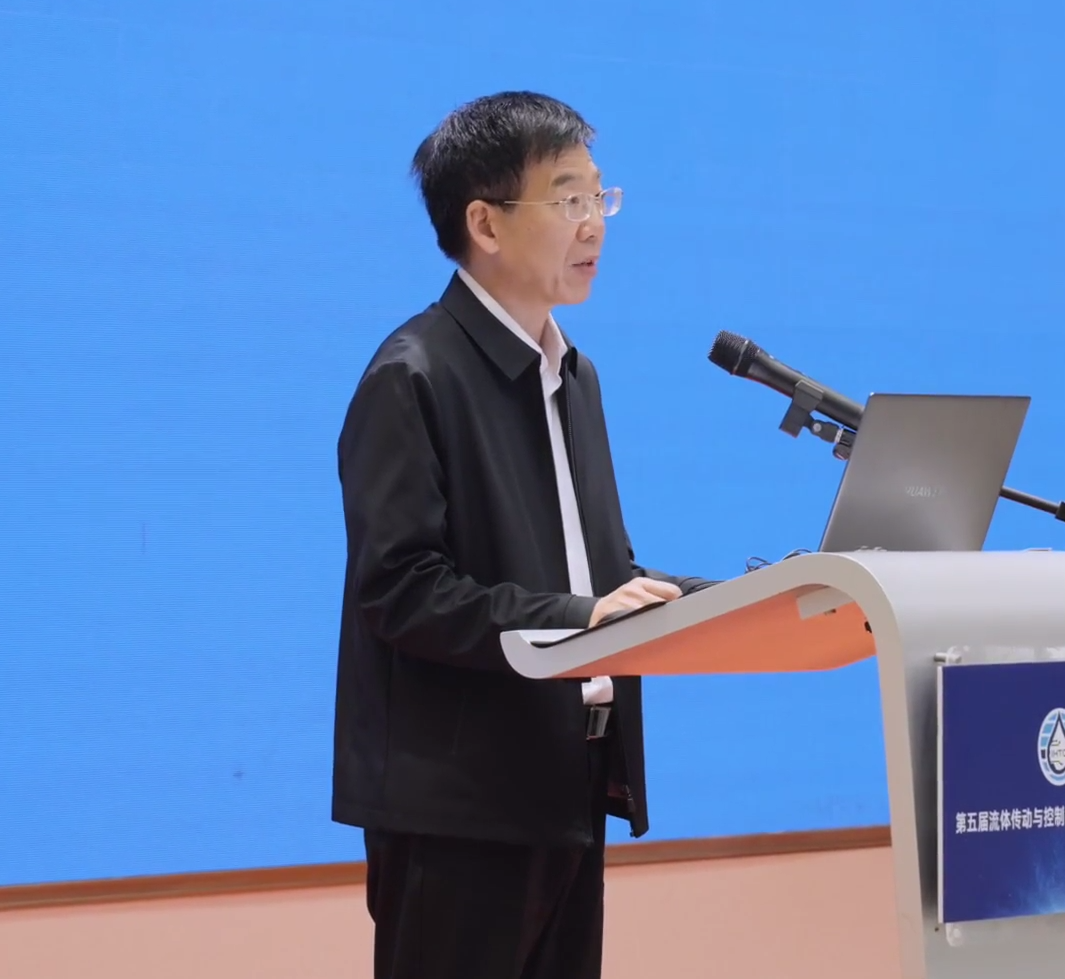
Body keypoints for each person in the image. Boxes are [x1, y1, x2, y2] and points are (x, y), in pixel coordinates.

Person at [331, 91, 713, 979]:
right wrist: (581, 618)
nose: (594, 223)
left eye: (599, 196)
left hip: (565, 776)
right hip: (460, 804)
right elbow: (401, 589)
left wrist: (753, 595)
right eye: (567, 197)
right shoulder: (411, 375)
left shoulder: (573, 374)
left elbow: (600, 573)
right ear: (485, 224)